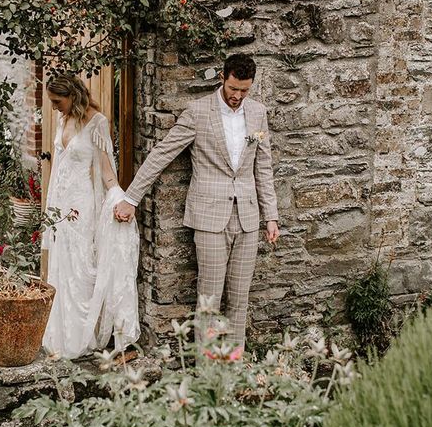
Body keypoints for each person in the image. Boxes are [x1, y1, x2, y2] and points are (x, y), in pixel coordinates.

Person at [114, 53, 279, 349]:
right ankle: (208, 370)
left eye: (244, 90)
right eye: (233, 89)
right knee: (209, 299)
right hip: (209, 217)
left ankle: (235, 366)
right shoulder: (197, 112)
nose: (238, 97)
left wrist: (271, 216)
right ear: (222, 79)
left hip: (249, 218)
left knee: (240, 298)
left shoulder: (258, 114)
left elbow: (262, 167)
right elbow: (162, 154)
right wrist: (131, 198)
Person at [42, 73, 140, 359]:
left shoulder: (97, 122)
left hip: (82, 207)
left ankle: (82, 337)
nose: (54, 107)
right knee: (62, 268)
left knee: (81, 269)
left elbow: (106, 172)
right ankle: (62, 336)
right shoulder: (64, 119)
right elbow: (59, 167)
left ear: (72, 95)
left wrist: (121, 198)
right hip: (60, 204)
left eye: (57, 101)